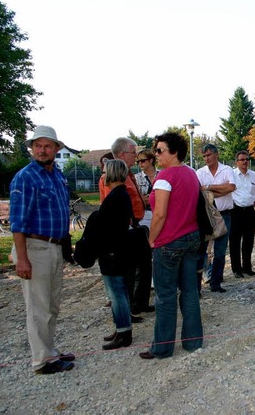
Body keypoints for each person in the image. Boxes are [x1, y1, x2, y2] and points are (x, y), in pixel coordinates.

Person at [9, 125, 75, 374]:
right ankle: (42, 360)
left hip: (53, 247)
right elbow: (17, 222)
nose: (42, 150)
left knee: (51, 305)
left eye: (48, 145)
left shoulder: (56, 175)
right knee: (39, 307)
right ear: (32, 148)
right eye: (38, 145)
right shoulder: (26, 177)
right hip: (35, 247)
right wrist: (22, 259)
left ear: (57, 149)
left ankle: (49, 352)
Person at [139, 132, 203, 360]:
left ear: (174, 152)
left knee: (165, 296)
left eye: (160, 150)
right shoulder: (191, 174)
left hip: (169, 242)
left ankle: (163, 348)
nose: (156, 155)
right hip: (191, 237)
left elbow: (159, 214)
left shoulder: (164, 177)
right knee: (189, 292)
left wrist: (151, 240)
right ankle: (193, 342)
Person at [101, 137, 153, 315]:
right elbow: (112, 205)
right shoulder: (112, 177)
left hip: (137, 226)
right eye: (133, 153)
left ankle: (141, 303)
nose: (136, 157)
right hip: (126, 229)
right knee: (129, 272)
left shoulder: (128, 174)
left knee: (145, 268)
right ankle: (129, 308)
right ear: (122, 154)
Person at [97, 159, 134, 350]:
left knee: (116, 292)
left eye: (104, 172)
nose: (102, 175)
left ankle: (124, 331)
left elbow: (109, 226)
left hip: (112, 251)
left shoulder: (116, 197)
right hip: (116, 249)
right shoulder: (121, 194)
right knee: (119, 291)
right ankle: (121, 327)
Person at [196, 144, 236, 293]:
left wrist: (209, 187)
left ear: (216, 155)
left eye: (209, 155)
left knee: (220, 251)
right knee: (202, 251)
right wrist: (220, 188)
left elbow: (231, 188)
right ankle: (198, 285)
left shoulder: (227, 170)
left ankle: (216, 282)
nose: (206, 158)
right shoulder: (199, 173)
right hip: (206, 215)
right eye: (204, 156)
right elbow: (200, 193)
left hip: (224, 214)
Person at [229, 150, 255, 278]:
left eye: (247, 159)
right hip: (235, 211)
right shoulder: (232, 175)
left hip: (249, 211)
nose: (245, 162)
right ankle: (236, 269)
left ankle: (247, 267)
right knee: (234, 241)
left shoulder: (253, 175)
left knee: (248, 240)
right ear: (236, 162)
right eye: (242, 159)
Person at [134, 148, 158, 229]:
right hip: (145, 214)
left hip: (163, 212)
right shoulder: (136, 178)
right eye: (138, 162)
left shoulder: (163, 174)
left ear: (151, 160)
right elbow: (136, 199)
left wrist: (148, 198)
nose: (140, 163)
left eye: (143, 161)